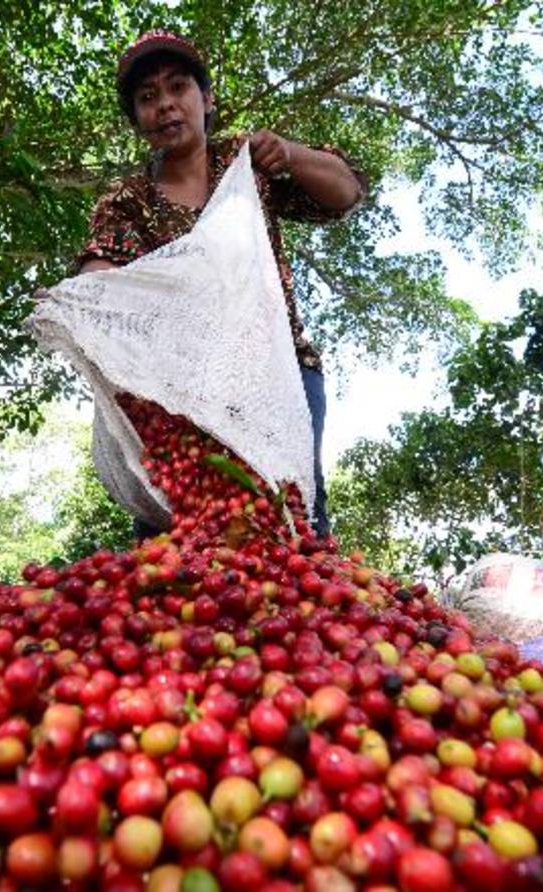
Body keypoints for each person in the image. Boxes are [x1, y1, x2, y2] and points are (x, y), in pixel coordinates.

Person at [78, 30, 367, 540]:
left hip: (278, 377)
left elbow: (345, 192)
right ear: (137, 122)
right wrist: (78, 304)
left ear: (206, 98)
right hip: (181, 392)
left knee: (288, 521)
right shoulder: (127, 200)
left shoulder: (247, 165)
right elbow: (100, 276)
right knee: (180, 533)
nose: (165, 105)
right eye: (147, 98)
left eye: (178, 87)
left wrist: (290, 153)